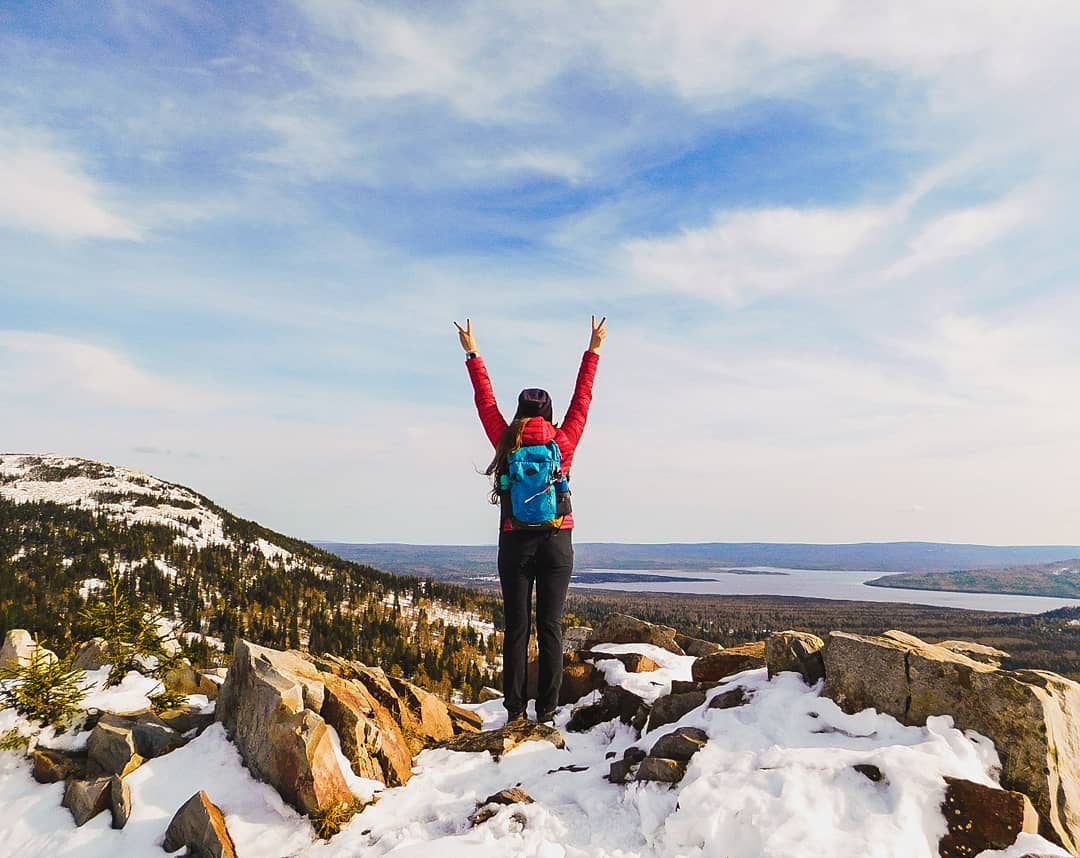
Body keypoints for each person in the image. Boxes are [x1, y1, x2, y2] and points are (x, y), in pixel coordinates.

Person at [454, 316, 606, 724]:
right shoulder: (563, 440)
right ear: (549, 412)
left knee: (517, 629)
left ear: (520, 411)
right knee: (550, 628)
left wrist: (473, 352)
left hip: (515, 539)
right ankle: (549, 710)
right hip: (557, 540)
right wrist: (593, 349)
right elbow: (583, 399)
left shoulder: (507, 439)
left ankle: (515, 711)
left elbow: (484, 402)